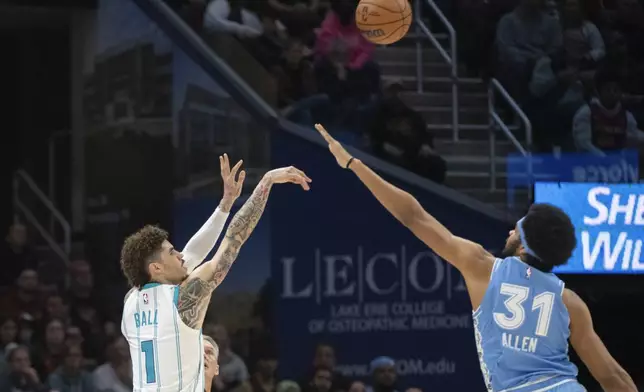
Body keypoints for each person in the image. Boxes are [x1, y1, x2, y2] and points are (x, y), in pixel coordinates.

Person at [314, 123, 637, 392]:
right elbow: (613, 376)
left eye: (516, 230)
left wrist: (352, 164)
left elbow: (414, 216)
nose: (510, 230)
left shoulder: (482, 267)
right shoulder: (569, 302)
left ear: (524, 247)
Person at [120, 156, 311, 392]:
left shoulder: (131, 302)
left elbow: (192, 252)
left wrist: (226, 204)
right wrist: (266, 182)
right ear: (156, 268)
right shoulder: (183, 299)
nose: (180, 255)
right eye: (172, 252)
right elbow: (234, 240)